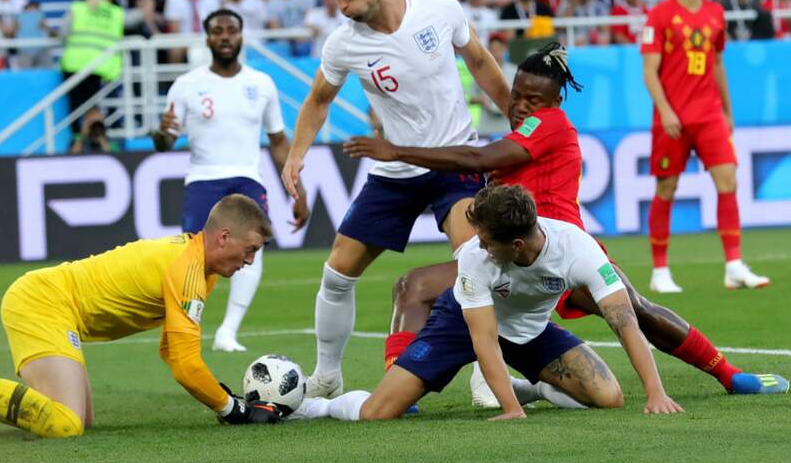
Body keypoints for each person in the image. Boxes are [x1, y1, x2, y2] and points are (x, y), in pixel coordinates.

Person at [343, 42, 789, 403]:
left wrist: (396, 151)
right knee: (416, 288)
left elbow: (477, 158)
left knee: (638, 313)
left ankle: (730, 376)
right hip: (516, 257)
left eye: (532, 99)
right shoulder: (521, 131)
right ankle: (415, 390)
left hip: (559, 250)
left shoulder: (551, 124)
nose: (519, 105)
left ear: (555, 101)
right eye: (516, 95)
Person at [279, 0, 510, 397]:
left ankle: (488, 373)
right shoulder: (343, 44)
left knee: (475, 261)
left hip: (453, 160)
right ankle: (326, 376)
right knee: (337, 273)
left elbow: (481, 63)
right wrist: (296, 154)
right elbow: (318, 99)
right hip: (394, 170)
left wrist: (519, 121)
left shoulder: (438, 8)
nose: (341, 7)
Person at [0, 195, 285, 437]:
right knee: (65, 423)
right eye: (250, 249)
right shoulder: (189, 269)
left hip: (56, 308)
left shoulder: (200, 269)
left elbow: (170, 351)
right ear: (224, 236)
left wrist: (223, 399)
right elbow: (183, 364)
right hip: (43, 302)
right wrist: (232, 409)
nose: (250, 261)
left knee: (78, 418)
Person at [293, 185, 684, 422]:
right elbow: (484, 341)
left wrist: (655, 393)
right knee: (377, 412)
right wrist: (510, 408)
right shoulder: (474, 258)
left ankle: (539, 389)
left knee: (609, 398)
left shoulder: (577, 249)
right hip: (460, 323)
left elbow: (624, 319)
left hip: (530, 331)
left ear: (516, 245)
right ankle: (313, 408)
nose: (476, 244)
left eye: (485, 240)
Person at [153, 9, 310, 351]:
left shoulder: (261, 84)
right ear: (207, 39)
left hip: (247, 179)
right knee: (196, 258)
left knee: (253, 247)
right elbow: (165, 141)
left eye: (232, 30)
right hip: (203, 180)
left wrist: (297, 190)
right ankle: (186, 330)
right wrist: (161, 134)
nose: (225, 36)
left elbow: (278, 140)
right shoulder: (186, 85)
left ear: (241, 36)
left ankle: (228, 331)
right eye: (217, 31)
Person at [642, 0, 770, 292]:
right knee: (666, 187)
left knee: (728, 181)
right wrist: (666, 110)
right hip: (672, 117)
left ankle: (733, 265)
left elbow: (716, 64)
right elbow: (649, 72)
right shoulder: (659, 15)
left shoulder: (715, 13)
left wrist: (728, 111)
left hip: (710, 113)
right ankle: (660, 272)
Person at [59, 0, 124, 132]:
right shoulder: (115, 12)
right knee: (92, 106)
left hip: (73, 63)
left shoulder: (78, 8)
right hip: (98, 65)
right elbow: (133, 19)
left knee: (74, 106)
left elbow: (62, 34)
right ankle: (99, 141)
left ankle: (76, 140)